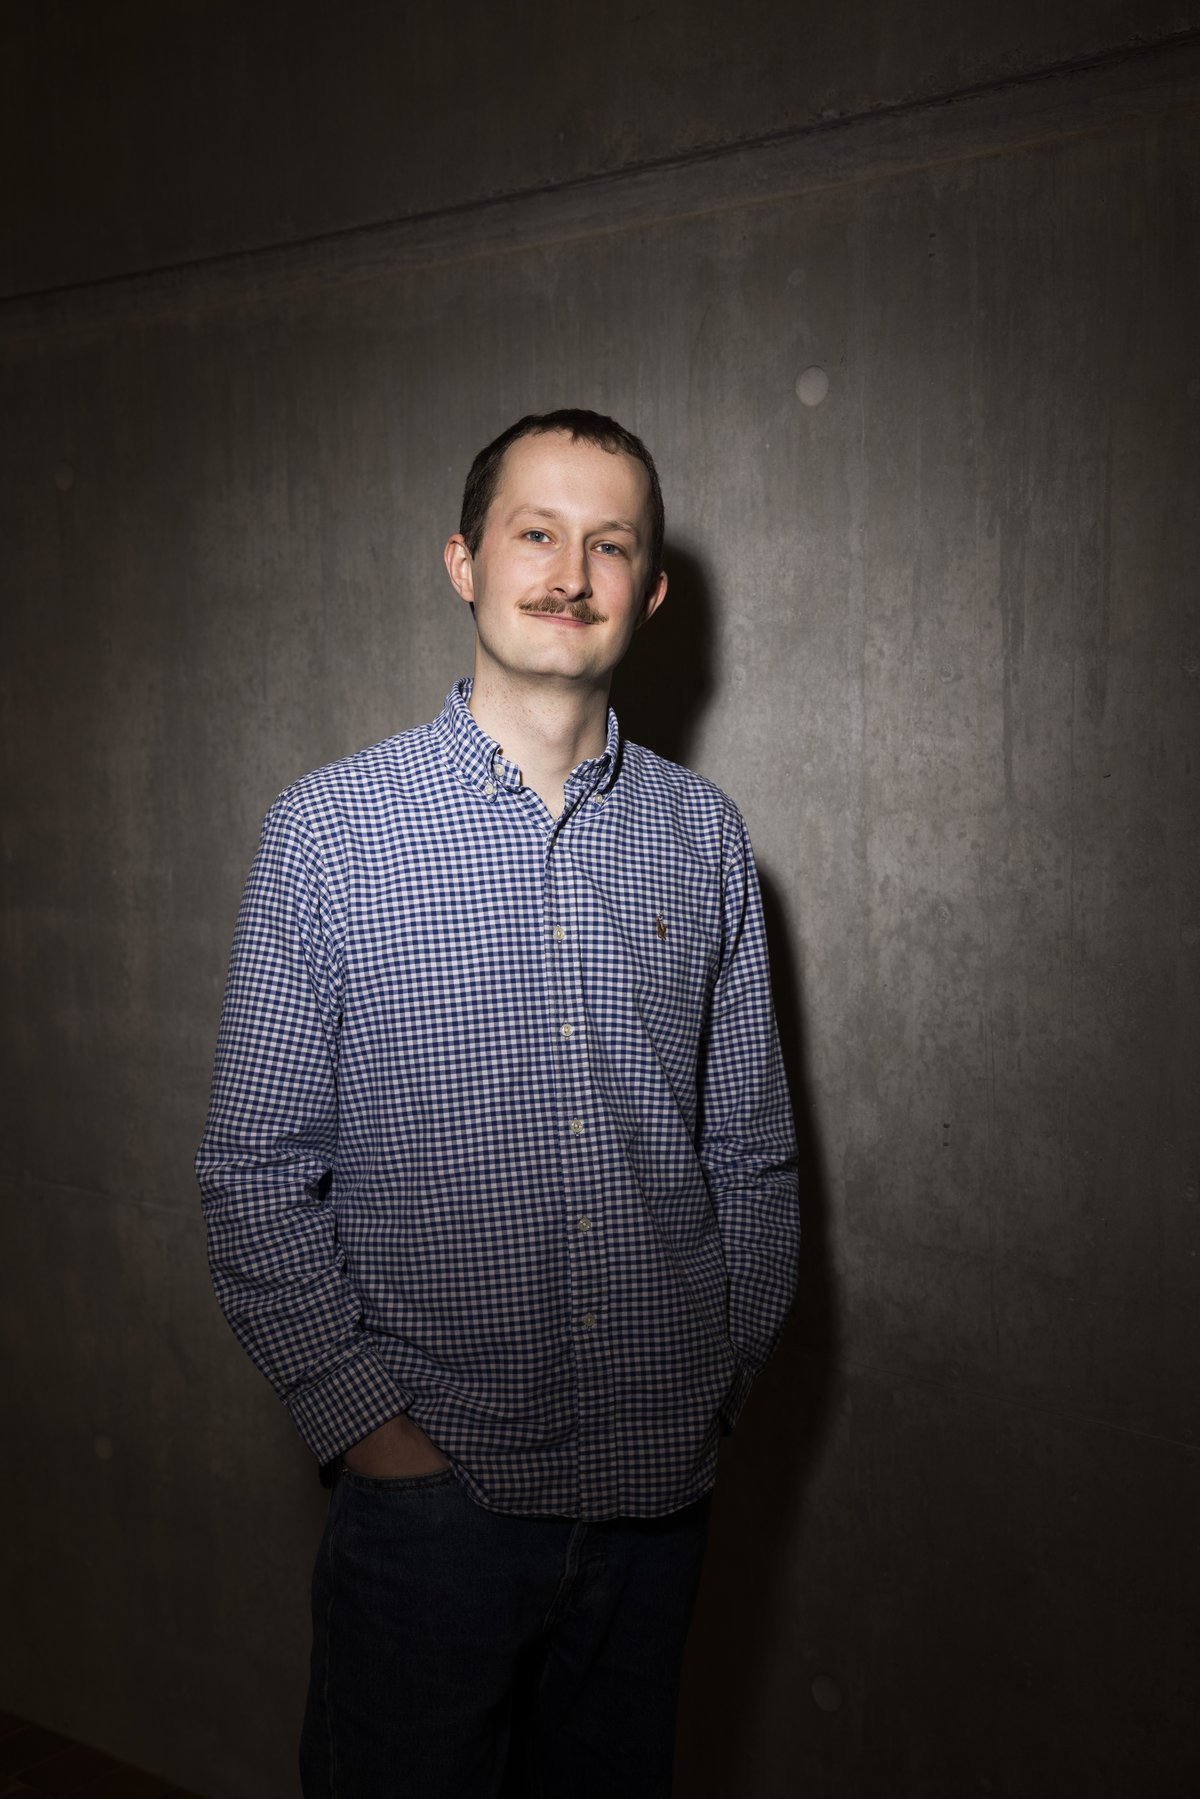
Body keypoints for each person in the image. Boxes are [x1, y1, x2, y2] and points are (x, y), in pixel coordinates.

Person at [196, 408, 800, 1798]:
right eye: (536, 533)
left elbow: (752, 1154)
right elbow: (253, 1173)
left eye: (609, 545)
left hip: (657, 1497)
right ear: (464, 562)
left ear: (651, 592)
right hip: (433, 1505)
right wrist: (374, 1435)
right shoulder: (329, 831)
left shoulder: (705, 837)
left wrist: (718, 1387)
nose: (569, 574)